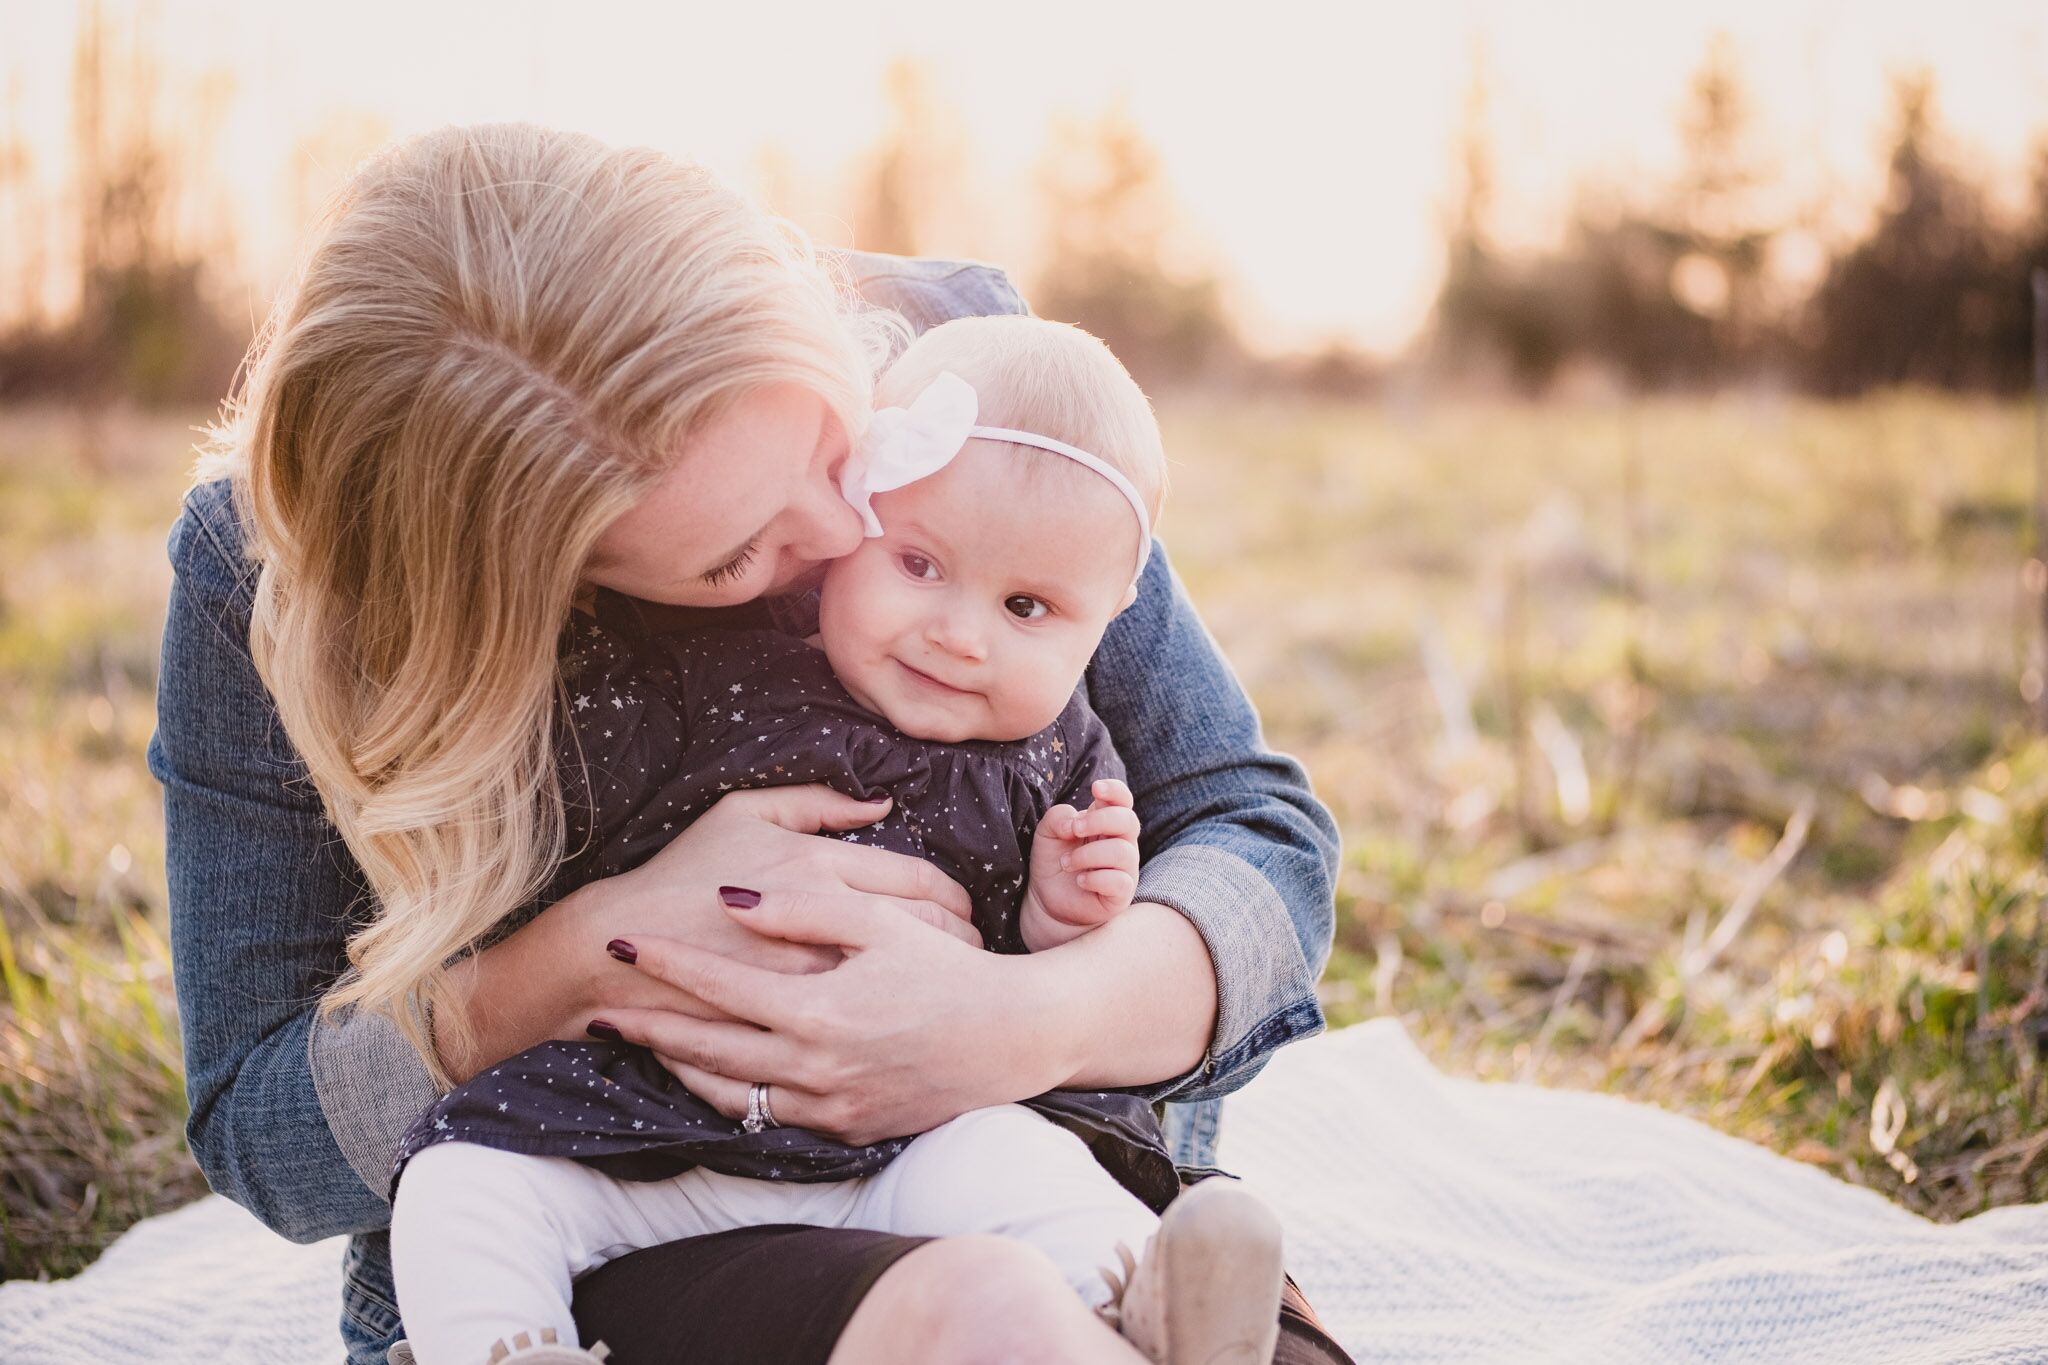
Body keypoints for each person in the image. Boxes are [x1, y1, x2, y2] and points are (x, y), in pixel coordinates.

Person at [148, 123, 1347, 1365]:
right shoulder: (277, 575)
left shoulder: (971, 373)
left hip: (1006, 1148)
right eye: (735, 556)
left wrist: (1020, 1017)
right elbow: (263, 1133)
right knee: (981, 1323)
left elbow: (1256, 838)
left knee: (1069, 1286)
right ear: (544, 590)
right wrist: (586, 958)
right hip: (625, 1203)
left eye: (839, 445)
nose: (845, 528)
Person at [386, 315, 1288, 1365]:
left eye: (1027, 606)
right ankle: (505, 1348)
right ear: (852, 520)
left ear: (1113, 618)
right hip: (641, 1127)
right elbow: (558, 775)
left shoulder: (1064, 762)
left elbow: (1059, 957)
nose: (959, 632)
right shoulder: (717, 670)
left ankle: (1142, 1313)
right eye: (916, 562)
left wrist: (1062, 920)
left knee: (1037, 1172)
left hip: (919, 1140)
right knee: (464, 1180)